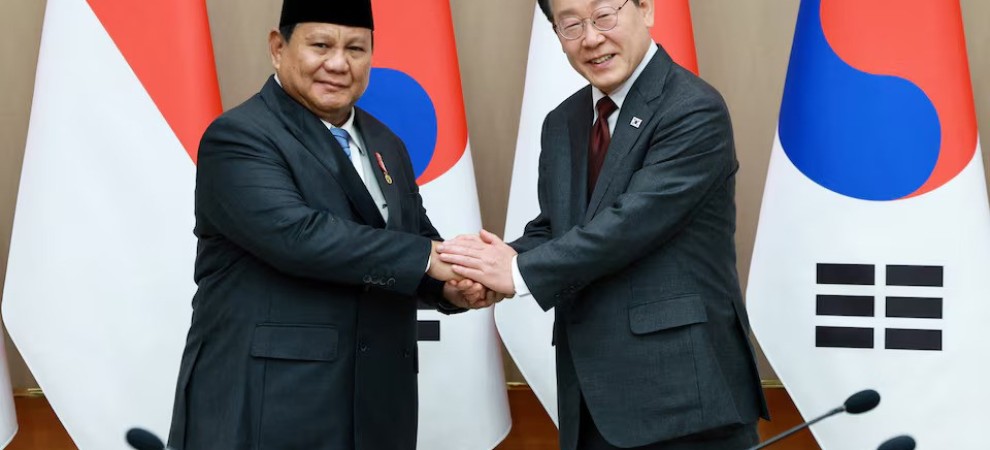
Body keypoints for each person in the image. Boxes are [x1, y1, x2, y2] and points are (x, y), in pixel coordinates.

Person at [438, 0, 768, 448]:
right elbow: (558, 227)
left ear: (645, 9)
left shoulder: (692, 108)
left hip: (684, 403)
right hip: (591, 399)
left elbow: (630, 224)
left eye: (604, 15)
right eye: (571, 24)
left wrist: (514, 273)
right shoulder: (563, 121)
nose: (591, 38)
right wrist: (479, 267)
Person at [167, 1, 493, 448]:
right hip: (270, 406)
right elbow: (298, 237)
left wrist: (451, 286)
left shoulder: (386, 143)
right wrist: (429, 258)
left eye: (356, 49)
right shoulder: (240, 136)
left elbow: (413, 240)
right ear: (277, 48)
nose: (339, 64)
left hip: (377, 410)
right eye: (321, 45)